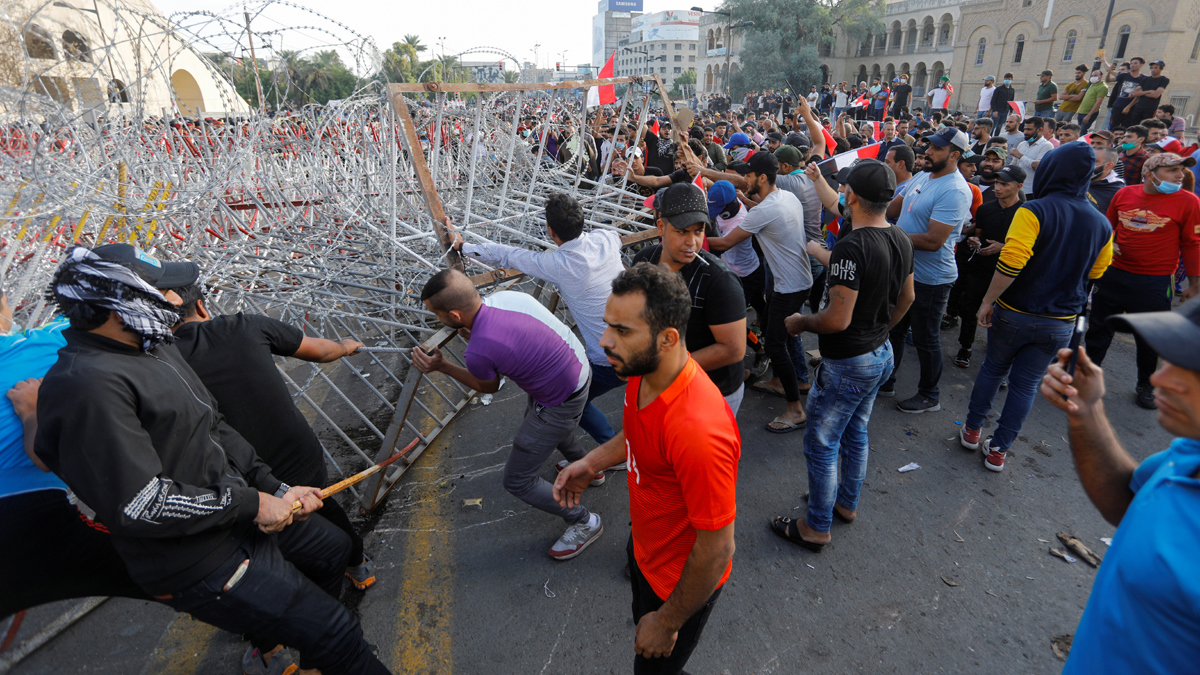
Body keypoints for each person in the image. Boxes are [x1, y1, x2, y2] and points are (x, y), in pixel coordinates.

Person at [35, 245, 388, 675]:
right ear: (116, 303)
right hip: (201, 558)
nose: (172, 300)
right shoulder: (87, 386)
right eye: (156, 289)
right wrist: (253, 504)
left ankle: (310, 644)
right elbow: (144, 504)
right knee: (338, 634)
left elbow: (214, 425)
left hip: (238, 516)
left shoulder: (153, 347)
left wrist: (274, 487)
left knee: (332, 550)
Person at [554, 263, 739, 675]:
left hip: (679, 583)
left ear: (668, 338)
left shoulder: (699, 430)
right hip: (645, 553)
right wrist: (591, 461)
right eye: (608, 326)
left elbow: (717, 549)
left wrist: (668, 621)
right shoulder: (643, 370)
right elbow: (638, 433)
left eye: (622, 331)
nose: (604, 341)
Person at [166, 283, 379, 591]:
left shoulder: (162, 364)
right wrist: (345, 345)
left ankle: (273, 614)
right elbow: (321, 350)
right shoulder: (245, 325)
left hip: (238, 474)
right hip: (296, 454)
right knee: (320, 501)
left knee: (260, 536)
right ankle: (357, 564)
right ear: (201, 306)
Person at [1039, 297, 1200, 674]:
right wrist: (1087, 412)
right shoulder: (1188, 454)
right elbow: (1130, 502)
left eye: (1194, 368)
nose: (1160, 377)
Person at [770, 160, 915, 550]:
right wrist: (881, 331)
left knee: (821, 443)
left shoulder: (852, 246)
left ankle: (817, 525)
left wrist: (801, 322)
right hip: (878, 353)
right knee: (856, 432)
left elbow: (835, 319)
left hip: (849, 361)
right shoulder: (900, 237)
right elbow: (907, 298)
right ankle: (845, 503)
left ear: (850, 195)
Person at [411, 269, 604, 560]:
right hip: (577, 368)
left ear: (454, 315)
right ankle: (588, 466)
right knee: (546, 426)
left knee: (517, 480)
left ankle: (584, 521)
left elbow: (488, 386)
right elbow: (503, 338)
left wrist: (442, 366)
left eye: (437, 314)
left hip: (558, 398)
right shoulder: (507, 297)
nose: (438, 321)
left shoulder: (478, 351)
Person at [959, 143, 1113, 471]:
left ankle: (972, 431)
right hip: (1060, 320)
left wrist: (987, 302)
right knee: (1026, 383)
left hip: (1016, 311)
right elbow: (1097, 273)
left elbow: (1012, 262)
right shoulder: (1101, 223)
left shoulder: (1034, 210)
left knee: (993, 368)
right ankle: (999, 449)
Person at [0, 291, 152, 620]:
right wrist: (31, 415)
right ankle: (267, 639)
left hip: (25, 519)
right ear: (3, 306)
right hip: (29, 516)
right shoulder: (46, 345)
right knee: (168, 570)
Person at [455, 194, 626, 447]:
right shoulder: (605, 239)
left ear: (550, 230)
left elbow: (508, 255)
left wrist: (462, 247)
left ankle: (611, 448)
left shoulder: (559, 264)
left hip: (609, 360)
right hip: (642, 342)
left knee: (567, 400)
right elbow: (614, 238)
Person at [1084, 152, 1200, 408]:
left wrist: (1194, 284)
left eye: (1181, 170)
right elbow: (1107, 227)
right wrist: (1109, 244)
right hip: (1114, 274)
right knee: (1099, 329)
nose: (1180, 175)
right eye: (1173, 170)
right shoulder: (1124, 194)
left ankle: (1146, 384)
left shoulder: (1188, 202)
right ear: (1150, 175)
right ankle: (1087, 378)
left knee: (1150, 338)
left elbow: (1193, 244)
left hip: (1155, 281)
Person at [707, 152, 812, 433]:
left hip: (789, 286)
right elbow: (762, 211)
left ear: (762, 178)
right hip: (794, 282)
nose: (745, 182)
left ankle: (795, 409)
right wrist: (745, 200)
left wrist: (688, 236)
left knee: (776, 343)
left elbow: (725, 243)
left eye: (749, 177)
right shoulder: (784, 198)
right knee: (774, 331)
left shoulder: (765, 210)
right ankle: (781, 380)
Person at [632, 183, 748, 413]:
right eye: (682, 231)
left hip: (712, 389)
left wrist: (669, 367)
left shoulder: (719, 280)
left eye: (698, 231)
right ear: (661, 227)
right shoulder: (644, 261)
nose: (692, 242)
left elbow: (733, 349)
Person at [881, 128, 973, 412]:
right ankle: (887, 381)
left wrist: (888, 237)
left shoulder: (956, 190)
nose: (928, 151)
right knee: (894, 329)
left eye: (936, 148)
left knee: (925, 338)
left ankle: (929, 395)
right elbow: (894, 207)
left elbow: (934, 241)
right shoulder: (922, 175)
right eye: (929, 145)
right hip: (904, 271)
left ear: (954, 155)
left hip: (931, 280)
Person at [954, 165, 1027, 368]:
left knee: (1003, 317)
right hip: (980, 268)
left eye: (1004, 183)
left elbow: (1031, 246)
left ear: (1019, 186)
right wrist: (975, 243)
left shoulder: (1025, 213)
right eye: (997, 182)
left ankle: (999, 359)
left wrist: (1003, 247)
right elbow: (978, 235)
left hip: (1009, 273)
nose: (998, 187)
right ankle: (965, 347)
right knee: (969, 309)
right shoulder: (986, 209)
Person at [1011, 117, 1054, 191]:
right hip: (1017, 190)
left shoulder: (1046, 145)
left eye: (1029, 129)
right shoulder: (1022, 144)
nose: (1025, 132)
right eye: (1025, 129)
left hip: (1032, 190)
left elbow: (1038, 166)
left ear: (1039, 130)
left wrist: (1021, 156)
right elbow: (1014, 165)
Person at [1106, 56, 1146, 130]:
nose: (1133, 65)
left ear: (1141, 65)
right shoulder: (1123, 75)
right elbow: (1108, 80)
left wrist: (1128, 106)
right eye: (1131, 63)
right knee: (1113, 128)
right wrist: (1109, 71)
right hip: (1118, 106)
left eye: (1135, 63)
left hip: (1132, 108)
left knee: (1127, 129)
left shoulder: (1143, 78)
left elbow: (1138, 95)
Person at [1125, 59, 1169, 125]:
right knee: (1133, 125)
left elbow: (1156, 95)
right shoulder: (1145, 79)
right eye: (1152, 68)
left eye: (1156, 68)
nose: (1153, 70)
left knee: (1146, 126)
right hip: (1138, 107)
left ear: (1161, 69)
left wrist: (1142, 93)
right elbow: (1135, 93)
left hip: (1150, 108)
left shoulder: (1163, 80)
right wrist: (1149, 91)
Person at [1087, 145, 1125, 214]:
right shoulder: (1078, 180)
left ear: (1108, 166)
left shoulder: (1118, 191)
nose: (1088, 164)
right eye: (1088, 159)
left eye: (1094, 161)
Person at [1077, 69, 1109, 134]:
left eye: (1096, 75)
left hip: (1088, 113)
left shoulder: (1102, 87)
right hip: (1081, 112)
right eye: (1093, 75)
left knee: (1082, 131)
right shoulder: (1092, 84)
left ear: (1101, 76)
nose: (1093, 77)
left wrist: (1088, 115)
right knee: (1078, 131)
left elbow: (1098, 102)